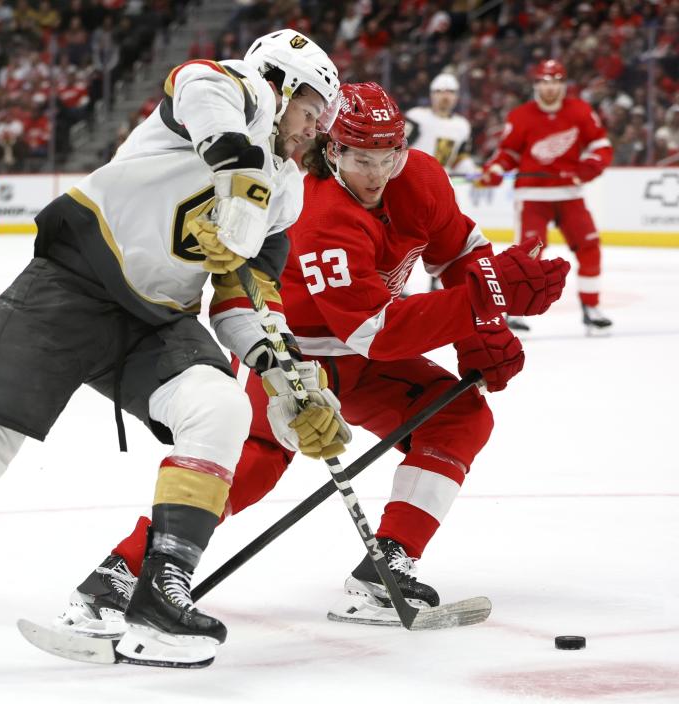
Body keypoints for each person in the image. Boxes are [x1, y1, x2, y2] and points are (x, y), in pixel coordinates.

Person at [0, 30, 343, 673]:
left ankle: (159, 597)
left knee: (221, 406)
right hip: (70, 285)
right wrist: (240, 174)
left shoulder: (288, 191)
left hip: (156, 321)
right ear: (280, 86)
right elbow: (195, 82)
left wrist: (285, 377)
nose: (316, 132)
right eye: (313, 112)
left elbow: (242, 297)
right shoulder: (234, 93)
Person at [57, 83, 570, 637]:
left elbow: (463, 253)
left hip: (364, 355)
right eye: (361, 159)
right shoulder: (322, 212)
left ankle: (387, 566)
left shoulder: (419, 177)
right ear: (333, 151)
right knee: (250, 467)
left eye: (389, 157)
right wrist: (483, 303)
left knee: (462, 417)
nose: (377, 173)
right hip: (288, 356)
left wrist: (480, 331)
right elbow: (375, 331)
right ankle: (119, 574)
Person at [477, 59, 613, 334]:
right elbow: (509, 153)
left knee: (590, 247)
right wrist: (494, 170)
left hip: (570, 195)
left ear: (564, 85)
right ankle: (514, 311)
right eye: (543, 82)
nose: (549, 88)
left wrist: (587, 169)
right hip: (533, 197)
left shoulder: (581, 111)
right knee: (528, 256)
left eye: (555, 82)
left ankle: (591, 307)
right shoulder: (520, 116)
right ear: (536, 85)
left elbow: (601, 146)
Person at [404, 71, 478, 293]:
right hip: (411, 184)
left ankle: (440, 283)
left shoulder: (462, 125)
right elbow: (397, 145)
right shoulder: (416, 117)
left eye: (450, 92)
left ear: (456, 97)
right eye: (439, 91)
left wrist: (471, 171)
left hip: (443, 188)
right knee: (404, 237)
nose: (444, 96)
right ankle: (396, 283)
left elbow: (460, 156)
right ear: (431, 95)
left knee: (446, 238)